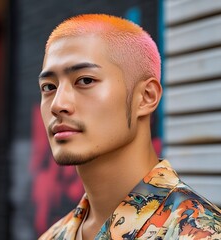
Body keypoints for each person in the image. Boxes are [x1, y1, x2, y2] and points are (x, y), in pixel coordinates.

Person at [37, 14, 221, 240]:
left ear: (145, 97)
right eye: (49, 87)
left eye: (85, 80)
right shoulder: (53, 236)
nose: (58, 105)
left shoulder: (200, 233)